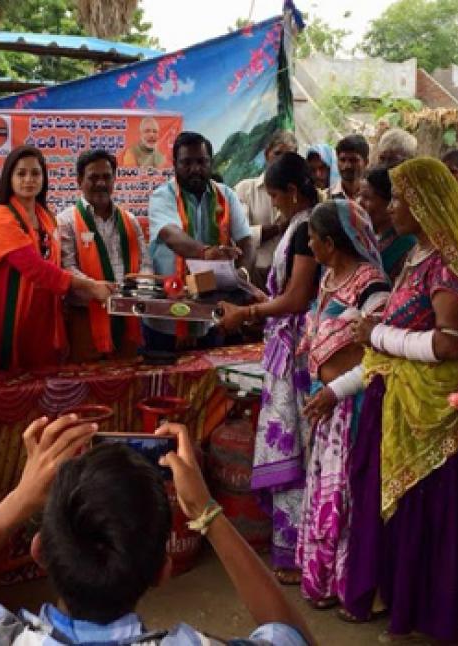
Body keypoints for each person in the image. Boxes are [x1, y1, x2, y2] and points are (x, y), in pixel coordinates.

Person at [0, 417, 315, 645]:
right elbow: (292, 637)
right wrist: (207, 513)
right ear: (163, 572)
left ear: (39, 550)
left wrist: (17, 502)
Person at [339, 158, 458, 643]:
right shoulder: (417, 257)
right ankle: (403, 603)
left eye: (402, 198)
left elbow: (448, 343)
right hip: (402, 405)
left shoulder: (448, 266)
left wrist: (379, 335)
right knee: (405, 514)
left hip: (437, 415)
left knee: (433, 518)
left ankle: (434, 614)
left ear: (425, 204)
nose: (392, 206)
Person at [217, 153, 322, 583]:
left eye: (276, 197)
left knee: (295, 445)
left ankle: (298, 552)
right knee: (290, 442)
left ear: (292, 193)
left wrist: (249, 313)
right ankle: (291, 547)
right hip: (286, 343)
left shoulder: (307, 229)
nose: (274, 205)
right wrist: (258, 298)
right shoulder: (303, 225)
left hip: (298, 351)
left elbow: (297, 299)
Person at [295, 200, 390, 609]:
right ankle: (325, 579)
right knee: (327, 492)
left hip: (355, 407)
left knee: (349, 495)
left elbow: (378, 357)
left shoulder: (372, 286)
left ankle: (351, 585)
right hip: (328, 406)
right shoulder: (329, 276)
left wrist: (336, 390)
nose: (310, 245)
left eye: (313, 238)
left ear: (330, 242)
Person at [0, 145, 114, 371]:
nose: (29, 180)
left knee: (43, 392)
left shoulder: (46, 217)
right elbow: (37, 269)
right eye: (21, 173)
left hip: (42, 320)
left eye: (35, 173)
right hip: (7, 321)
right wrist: (91, 287)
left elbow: (57, 263)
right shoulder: (1, 219)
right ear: (9, 178)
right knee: (7, 392)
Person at [146, 131, 255, 351]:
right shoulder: (162, 196)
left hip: (212, 316)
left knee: (210, 381)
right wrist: (206, 252)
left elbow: (246, 241)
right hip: (168, 318)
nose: (195, 168)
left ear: (211, 163)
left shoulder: (226, 195)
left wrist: (241, 275)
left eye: (202, 162)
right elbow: (170, 234)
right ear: (174, 164)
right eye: (187, 162)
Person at [58, 149, 151, 362]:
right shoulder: (66, 221)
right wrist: (98, 289)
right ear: (79, 180)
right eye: (93, 177)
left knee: (125, 383)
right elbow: (67, 266)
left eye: (106, 177)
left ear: (114, 179)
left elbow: (145, 263)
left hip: (127, 315)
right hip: (85, 318)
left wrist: (141, 287)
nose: (101, 183)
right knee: (87, 384)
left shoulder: (130, 220)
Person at [235, 131, 299, 285]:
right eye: (277, 153)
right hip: (255, 274)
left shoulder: (299, 193)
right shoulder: (245, 189)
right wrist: (278, 228)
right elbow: (239, 235)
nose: (281, 160)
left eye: (288, 156)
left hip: (291, 278)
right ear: (266, 154)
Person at [359, 165, 415, 278]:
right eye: (359, 196)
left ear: (388, 201)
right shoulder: (363, 237)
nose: (359, 203)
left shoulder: (406, 246)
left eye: (367, 197)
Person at [335, 135, 370, 201]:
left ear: (366, 162)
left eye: (353, 160)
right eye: (342, 160)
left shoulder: (374, 197)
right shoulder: (325, 197)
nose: (347, 166)